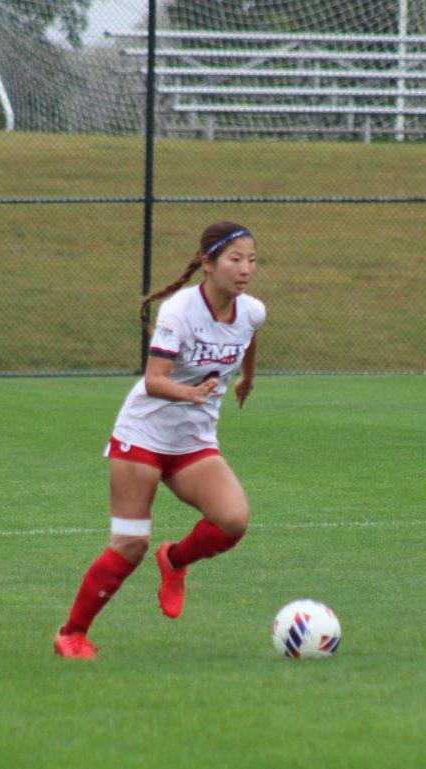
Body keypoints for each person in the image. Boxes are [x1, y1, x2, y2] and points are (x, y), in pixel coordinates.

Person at [54, 221, 265, 659]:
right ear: (207, 264)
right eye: (235, 259)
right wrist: (190, 393)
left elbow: (247, 338)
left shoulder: (252, 310)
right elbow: (153, 381)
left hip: (193, 441)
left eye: (252, 259)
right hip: (143, 434)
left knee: (233, 521)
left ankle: (176, 561)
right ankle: (72, 633)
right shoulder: (180, 311)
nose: (246, 268)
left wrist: (247, 377)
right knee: (130, 545)